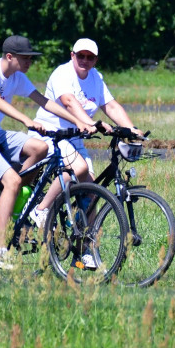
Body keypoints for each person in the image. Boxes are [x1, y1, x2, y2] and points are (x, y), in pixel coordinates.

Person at [0, 35, 93, 271]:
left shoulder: (18, 77)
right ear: (10, 57)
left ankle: (14, 197)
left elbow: (44, 101)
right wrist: (26, 120)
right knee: (11, 180)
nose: (30, 62)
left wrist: (80, 122)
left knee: (41, 148)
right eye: (26, 58)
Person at [27, 38, 142, 235]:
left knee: (91, 192)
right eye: (80, 55)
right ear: (72, 55)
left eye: (90, 57)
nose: (85, 60)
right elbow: (69, 101)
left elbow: (111, 105)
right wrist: (90, 123)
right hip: (51, 134)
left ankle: (85, 250)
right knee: (78, 167)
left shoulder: (96, 77)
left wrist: (131, 129)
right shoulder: (62, 74)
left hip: (75, 138)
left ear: (96, 60)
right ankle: (41, 209)